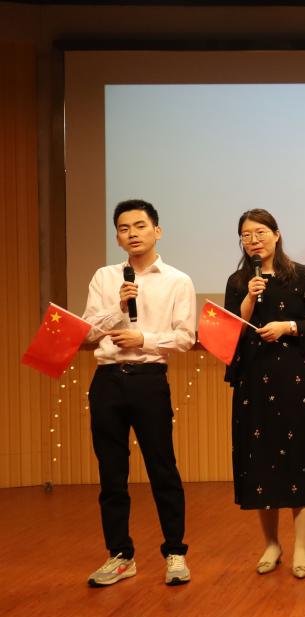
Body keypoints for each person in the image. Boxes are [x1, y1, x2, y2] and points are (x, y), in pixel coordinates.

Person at [83, 199, 196, 587]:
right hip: (107, 380)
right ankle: (120, 555)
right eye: (124, 228)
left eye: (140, 226)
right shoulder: (104, 277)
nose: (132, 233)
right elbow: (87, 331)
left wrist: (143, 338)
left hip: (149, 379)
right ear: (117, 237)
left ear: (157, 231)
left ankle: (175, 552)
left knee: (162, 468)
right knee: (111, 473)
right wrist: (119, 308)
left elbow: (185, 337)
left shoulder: (177, 280)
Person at [223, 209, 305, 579]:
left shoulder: (300, 275)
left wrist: (288, 327)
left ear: (277, 234)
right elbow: (229, 329)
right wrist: (248, 298)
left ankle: (302, 547)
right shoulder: (239, 281)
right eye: (246, 235)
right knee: (260, 462)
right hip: (254, 382)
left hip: (295, 380)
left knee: (300, 460)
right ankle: (271, 544)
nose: (253, 240)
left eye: (260, 232)